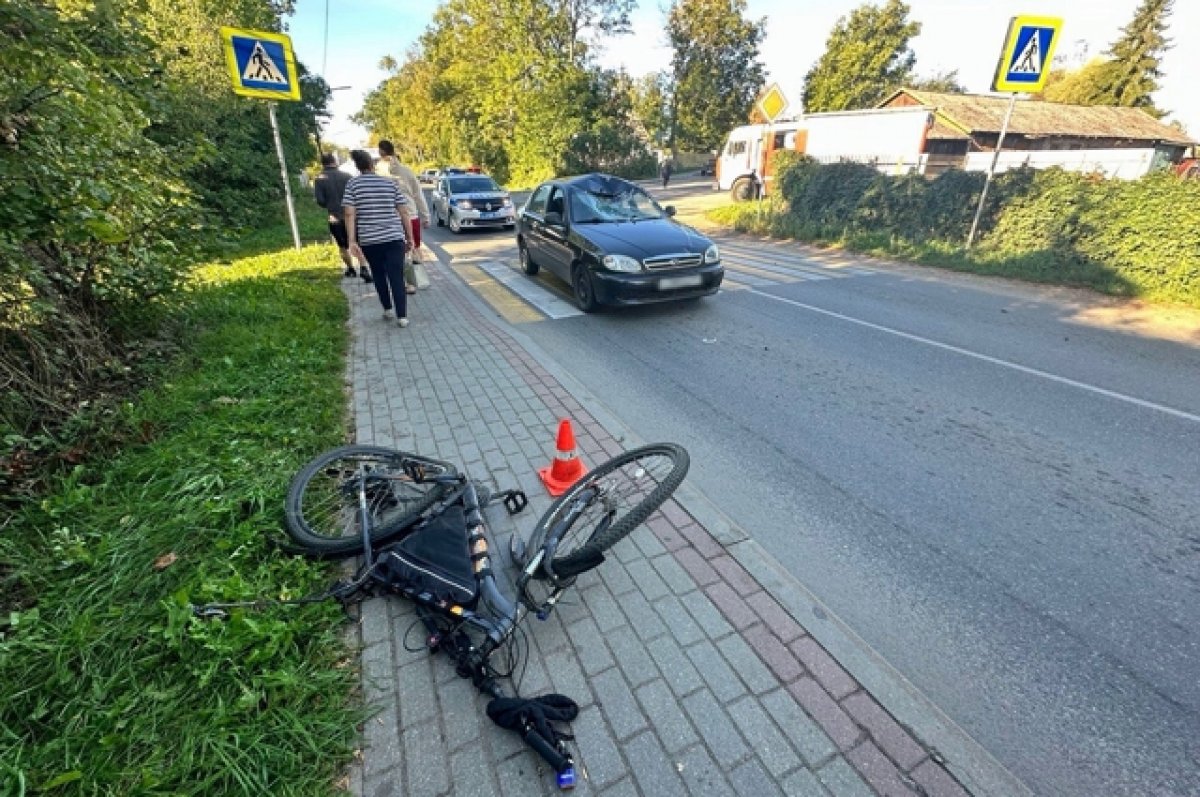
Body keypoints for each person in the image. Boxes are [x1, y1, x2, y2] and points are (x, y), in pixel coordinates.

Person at [343, 149, 414, 328]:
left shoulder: (353, 185)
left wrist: (352, 241)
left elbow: (349, 213)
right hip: (393, 238)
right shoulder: (389, 183)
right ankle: (402, 317)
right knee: (396, 275)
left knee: (379, 273)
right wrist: (409, 237)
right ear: (372, 164)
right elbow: (404, 211)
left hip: (370, 239)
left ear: (358, 166)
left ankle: (388, 309)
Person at [375, 140, 431, 295]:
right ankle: (417, 278)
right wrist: (426, 215)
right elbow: (418, 194)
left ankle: (405, 283)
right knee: (413, 248)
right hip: (411, 215)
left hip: (390, 217)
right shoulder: (406, 171)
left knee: (396, 252)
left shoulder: (377, 173)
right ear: (393, 151)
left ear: (380, 153)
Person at [313, 153, 371, 281]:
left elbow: (320, 200)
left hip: (335, 218)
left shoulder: (319, 179)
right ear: (335, 161)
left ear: (322, 163)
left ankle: (350, 268)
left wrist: (330, 204)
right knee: (356, 243)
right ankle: (363, 267)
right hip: (352, 217)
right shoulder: (348, 176)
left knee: (342, 246)